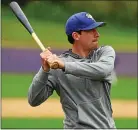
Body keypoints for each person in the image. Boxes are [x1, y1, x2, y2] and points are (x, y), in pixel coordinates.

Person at [28, 12, 116, 129]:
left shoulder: (104, 52)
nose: (97, 34)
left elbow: (102, 71)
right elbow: (34, 100)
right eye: (91, 31)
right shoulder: (57, 66)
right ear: (76, 36)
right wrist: (44, 70)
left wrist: (64, 65)